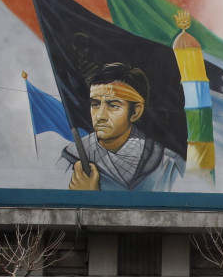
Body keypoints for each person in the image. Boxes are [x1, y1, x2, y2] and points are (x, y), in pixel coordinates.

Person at [64, 62, 184, 191]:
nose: (100, 116)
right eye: (95, 104)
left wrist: (90, 198)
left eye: (113, 105)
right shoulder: (70, 157)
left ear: (135, 112)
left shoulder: (168, 164)